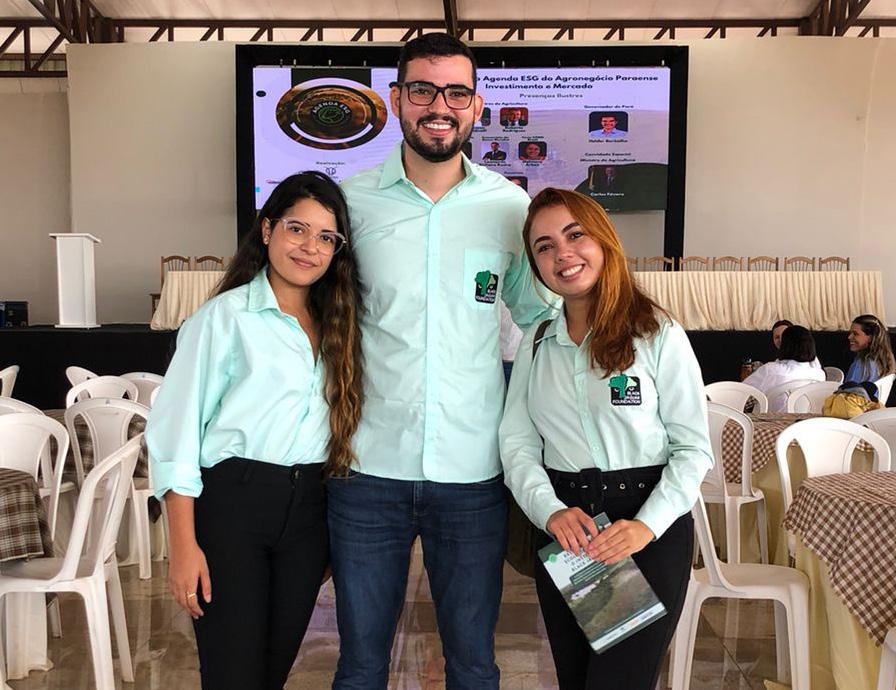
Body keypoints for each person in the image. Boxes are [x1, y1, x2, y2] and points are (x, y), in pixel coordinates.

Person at [330, 32, 556, 690]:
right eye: (423, 90)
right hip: (367, 470)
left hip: (472, 473)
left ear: (477, 107)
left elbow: (540, 320)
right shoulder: (350, 202)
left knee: (474, 665)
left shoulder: (508, 207)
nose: (439, 106)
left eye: (456, 93)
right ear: (396, 99)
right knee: (360, 666)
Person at [146, 172, 363, 690]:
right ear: (267, 231)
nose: (310, 247)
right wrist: (183, 546)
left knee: (271, 672)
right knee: (232, 674)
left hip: (308, 512)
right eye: (297, 229)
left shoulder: (339, 323)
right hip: (233, 508)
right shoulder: (223, 318)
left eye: (326, 237)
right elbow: (175, 435)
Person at [500, 188, 712, 690]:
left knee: (619, 680)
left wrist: (645, 527)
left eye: (575, 235)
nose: (563, 254)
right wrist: (548, 510)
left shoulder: (656, 333)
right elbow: (518, 444)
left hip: (642, 526)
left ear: (604, 241)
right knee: (577, 679)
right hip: (569, 531)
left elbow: (692, 449)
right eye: (545, 246)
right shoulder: (537, 343)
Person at [744, 325, 825, 411]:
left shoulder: (770, 370)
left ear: (785, 345)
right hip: (808, 419)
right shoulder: (820, 374)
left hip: (768, 419)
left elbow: (740, 392)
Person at [846, 313, 895, 383]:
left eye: (855, 334)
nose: (849, 337)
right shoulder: (885, 360)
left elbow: (850, 389)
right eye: (850, 333)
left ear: (870, 338)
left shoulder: (862, 365)